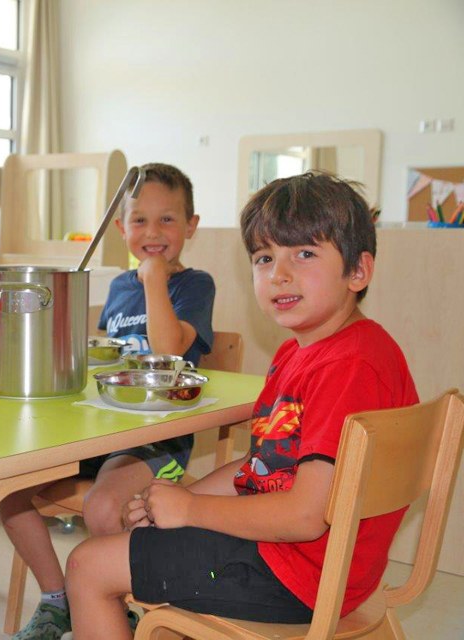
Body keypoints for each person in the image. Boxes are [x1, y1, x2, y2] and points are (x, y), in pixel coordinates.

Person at [64, 172, 419, 639]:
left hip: (297, 573)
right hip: (310, 564)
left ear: (358, 271)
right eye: (265, 257)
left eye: (305, 253)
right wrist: (174, 502)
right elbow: (263, 465)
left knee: (88, 566)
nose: (279, 274)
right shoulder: (307, 352)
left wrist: (191, 510)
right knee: (140, 546)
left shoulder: (347, 366)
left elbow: (305, 516)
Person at [0, 163, 214, 639]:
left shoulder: (195, 285)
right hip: (103, 434)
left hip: (158, 442)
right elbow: (101, 361)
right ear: (120, 228)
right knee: (5, 490)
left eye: (167, 219)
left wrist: (153, 280)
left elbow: (170, 349)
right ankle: (59, 599)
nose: (152, 232)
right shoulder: (117, 287)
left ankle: (118, 605)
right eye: (139, 220)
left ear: (191, 226)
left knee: (100, 507)